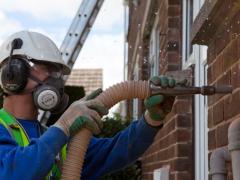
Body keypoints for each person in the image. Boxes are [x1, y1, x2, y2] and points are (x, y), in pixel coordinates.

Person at [0, 31, 176, 180]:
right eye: (47, 68)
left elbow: (116, 151)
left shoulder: (54, 140)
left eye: (56, 72)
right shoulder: (49, 135)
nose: (54, 79)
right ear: (13, 73)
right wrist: (63, 126)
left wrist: (151, 119)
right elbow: (13, 172)